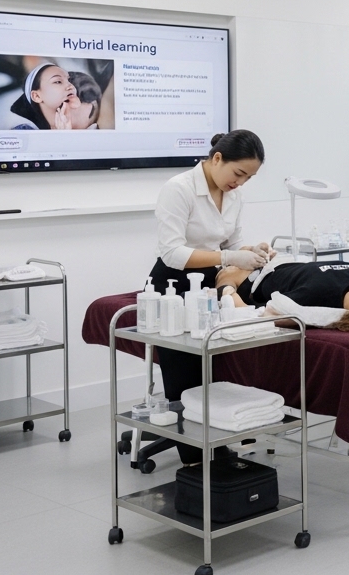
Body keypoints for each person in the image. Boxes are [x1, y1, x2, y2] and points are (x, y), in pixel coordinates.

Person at [148, 130, 271, 465]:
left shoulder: (233, 195)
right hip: (173, 284)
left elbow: (232, 244)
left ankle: (216, 445)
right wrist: (229, 257)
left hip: (209, 284)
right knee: (184, 373)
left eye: (248, 178)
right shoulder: (179, 189)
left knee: (215, 369)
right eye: (239, 173)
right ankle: (193, 456)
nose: (240, 183)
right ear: (217, 158)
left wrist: (253, 251)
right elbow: (172, 252)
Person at [215, 259, 349, 330]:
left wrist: (226, 288)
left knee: (220, 274)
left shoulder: (317, 297)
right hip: (273, 259)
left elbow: (258, 314)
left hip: (249, 278)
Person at [9, 62, 77, 130]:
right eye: (58, 81)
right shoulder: (24, 131)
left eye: (69, 80)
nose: (71, 86)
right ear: (36, 96)